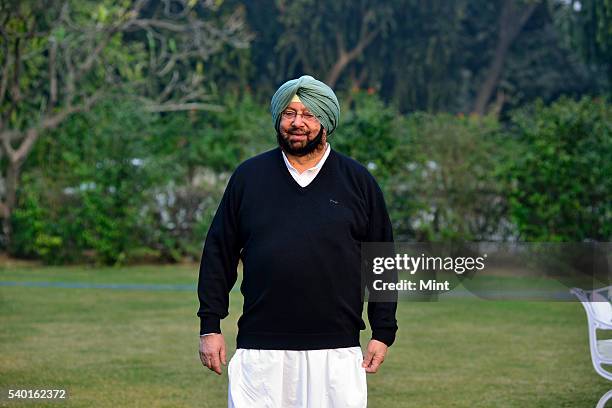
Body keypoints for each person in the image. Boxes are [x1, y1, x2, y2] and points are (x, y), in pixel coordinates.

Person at [197, 75, 397, 408]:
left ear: (326, 121)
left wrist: (383, 331)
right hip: (260, 350)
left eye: (308, 114)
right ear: (278, 118)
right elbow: (219, 253)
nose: (297, 123)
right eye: (289, 113)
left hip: (336, 351)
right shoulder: (249, 177)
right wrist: (210, 324)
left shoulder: (358, 181)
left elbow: (381, 260)